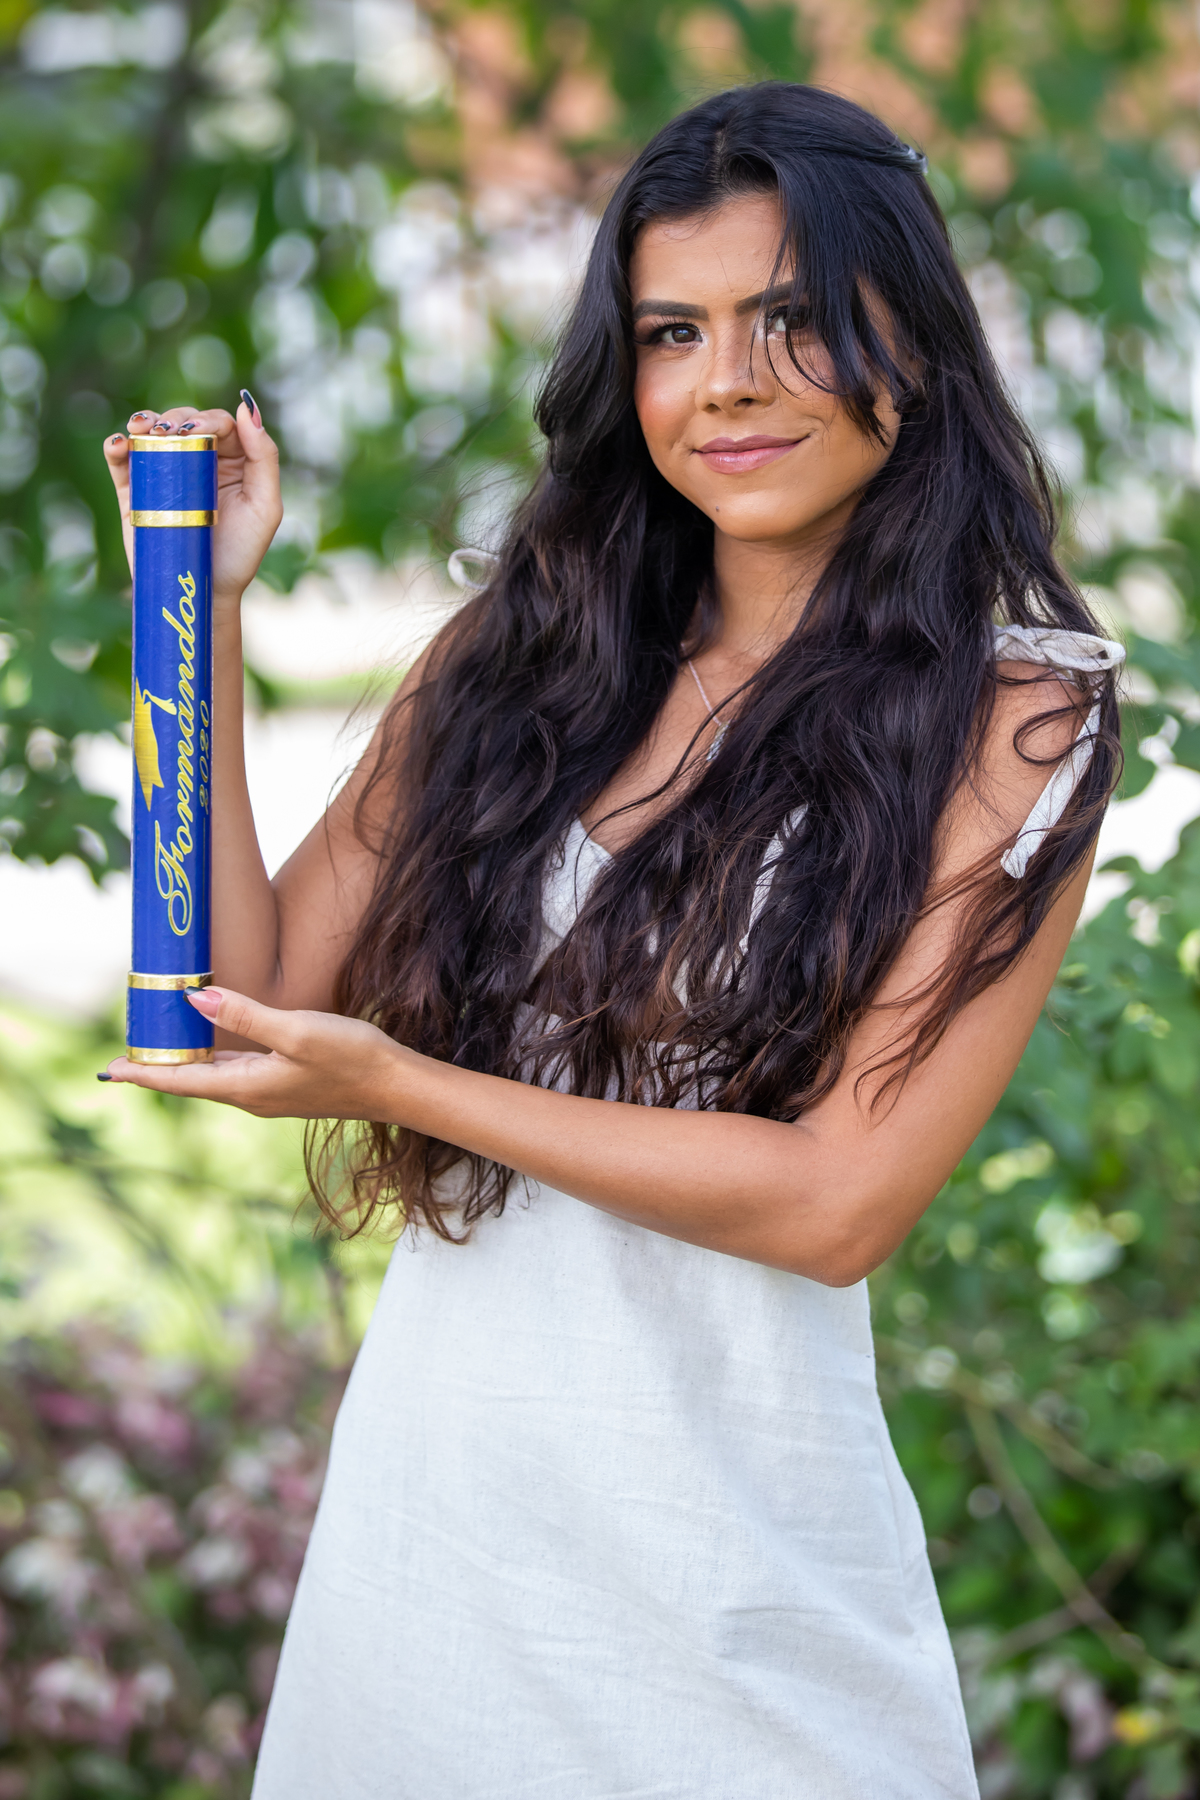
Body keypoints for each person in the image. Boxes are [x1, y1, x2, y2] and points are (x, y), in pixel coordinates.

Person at [102, 81, 1123, 1800]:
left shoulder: (1017, 722)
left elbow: (835, 1205)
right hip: (431, 1559)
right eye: (673, 330)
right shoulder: (523, 659)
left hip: (738, 1598)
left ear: (917, 342)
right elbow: (237, 1003)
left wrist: (415, 1084)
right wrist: (191, 600)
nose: (726, 380)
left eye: (791, 322)